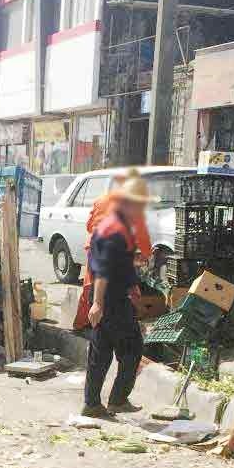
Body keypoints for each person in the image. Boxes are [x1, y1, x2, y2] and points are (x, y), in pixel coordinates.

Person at [82, 173, 151, 419]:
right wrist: (98, 304)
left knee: (101, 352)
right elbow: (104, 269)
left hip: (107, 297)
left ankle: (92, 404)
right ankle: (117, 400)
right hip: (110, 298)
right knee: (132, 348)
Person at [72, 167, 154, 331]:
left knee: (90, 285)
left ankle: (83, 324)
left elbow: (89, 226)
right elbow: (142, 238)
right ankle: (134, 318)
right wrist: (146, 256)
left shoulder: (102, 200)